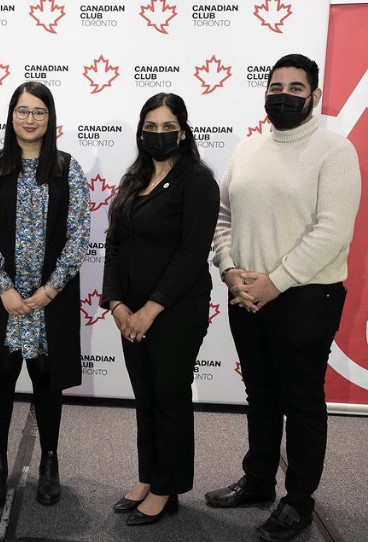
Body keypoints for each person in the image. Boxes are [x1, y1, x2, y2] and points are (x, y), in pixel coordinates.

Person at [207, 54, 361, 542]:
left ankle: (298, 501)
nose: (284, 94)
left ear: (314, 96)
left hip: (306, 298)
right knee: (260, 394)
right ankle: (257, 481)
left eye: (296, 88)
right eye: (276, 86)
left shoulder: (334, 151)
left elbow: (333, 232)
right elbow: (223, 216)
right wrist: (231, 272)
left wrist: (274, 282)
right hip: (245, 294)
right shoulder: (247, 148)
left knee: (303, 402)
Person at [0, 81, 90, 508]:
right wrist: (3, 288)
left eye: (39, 111)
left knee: (47, 383)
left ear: (50, 117)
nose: (30, 118)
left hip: (47, 303)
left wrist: (51, 288)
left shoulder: (66, 168)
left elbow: (78, 235)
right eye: (22, 110)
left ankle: (49, 462)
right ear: (11, 115)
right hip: (1, 303)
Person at [101, 93, 219, 526]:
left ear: (183, 131)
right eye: (150, 126)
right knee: (145, 397)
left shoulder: (198, 180)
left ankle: (167, 488)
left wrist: (149, 311)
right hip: (129, 313)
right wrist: (116, 304)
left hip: (174, 313)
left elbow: (191, 256)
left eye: (167, 126)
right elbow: (114, 244)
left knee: (169, 397)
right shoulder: (134, 178)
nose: (158, 134)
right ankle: (148, 475)